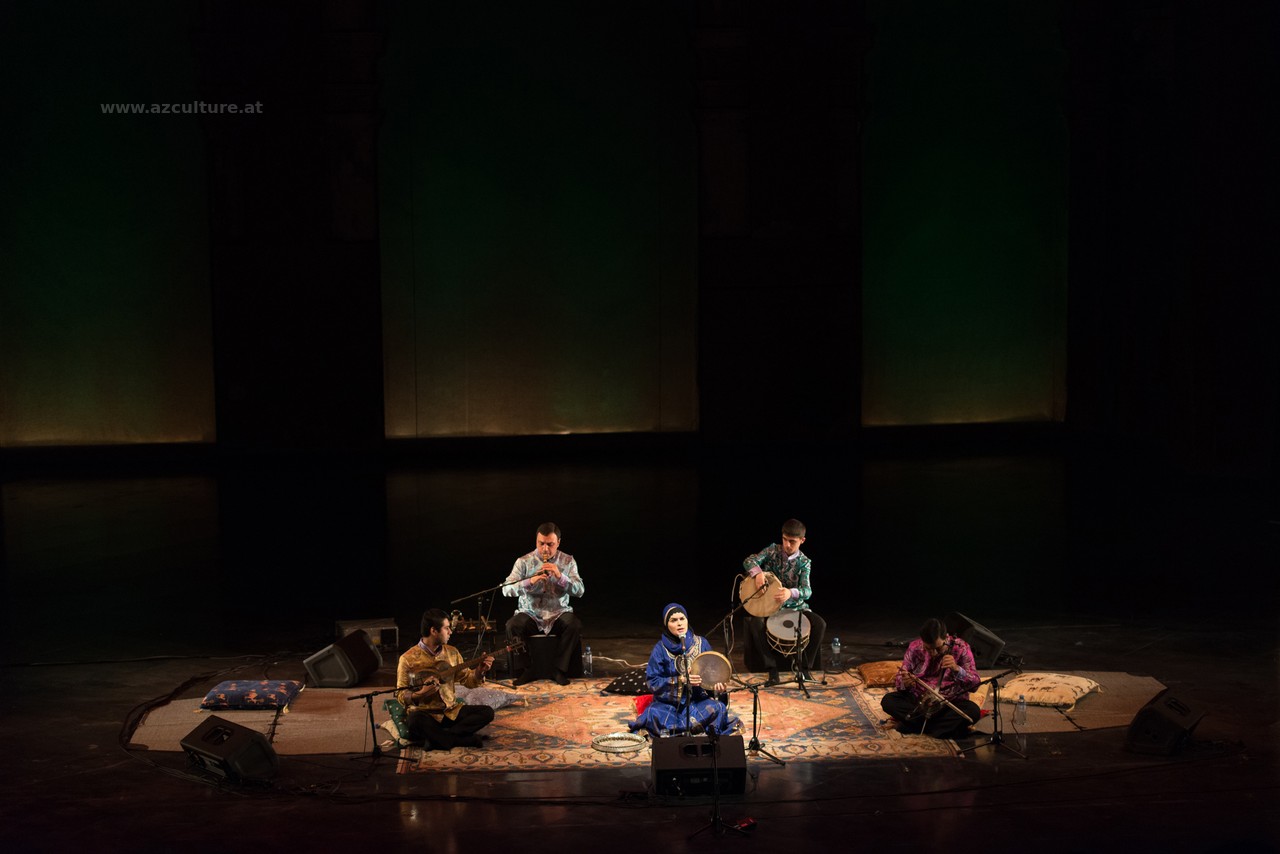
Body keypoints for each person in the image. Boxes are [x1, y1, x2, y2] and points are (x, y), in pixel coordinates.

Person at [629, 603, 740, 737]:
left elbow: (711, 676)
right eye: (673, 620)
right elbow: (652, 682)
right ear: (667, 625)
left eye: (682, 619)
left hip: (697, 703)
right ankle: (696, 731)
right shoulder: (660, 649)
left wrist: (717, 689)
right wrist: (680, 681)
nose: (679, 623)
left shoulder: (701, 643)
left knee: (718, 708)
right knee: (653, 714)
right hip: (669, 706)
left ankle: (680, 732)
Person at [395, 608, 496, 750]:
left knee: (487, 712)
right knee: (414, 720)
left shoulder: (452, 652)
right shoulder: (407, 659)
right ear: (433, 631)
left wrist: (480, 671)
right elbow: (400, 694)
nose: (450, 632)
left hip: (450, 712)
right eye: (446, 628)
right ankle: (460, 739)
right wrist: (420, 694)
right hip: (426, 715)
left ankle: (440, 738)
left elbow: (467, 680)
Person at [742, 518, 826, 685]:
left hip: (795, 607)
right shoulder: (772, 550)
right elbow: (748, 561)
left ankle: (804, 669)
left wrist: (790, 592)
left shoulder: (804, 562)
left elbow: (807, 591)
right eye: (785, 539)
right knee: (755, 623)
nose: (787, 545)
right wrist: (758, 573)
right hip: (771, 606)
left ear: (802, 540)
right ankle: (772, 669)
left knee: (820, 624)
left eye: (792, 541)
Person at [502, 522, 585, 686]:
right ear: (536, 541)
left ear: (558, 542)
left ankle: (558, 669)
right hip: (530, 613)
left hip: (558, 613)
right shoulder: (523, 561)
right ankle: (527, 669)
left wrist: (560, 577)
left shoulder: (568, 561)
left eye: (550, 544)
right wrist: (530, 581)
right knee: (512, 626)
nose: (545, 549)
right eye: (541, 544)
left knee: (574, 625)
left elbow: (580, 590)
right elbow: (506, 589)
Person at [880, 617, 982, 739]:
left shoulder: (961, 648)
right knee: (888, 701)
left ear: (946, 637)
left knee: (973, 711)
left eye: (938, 648)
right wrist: (905, 682)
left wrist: (957, 669)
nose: (933, 653)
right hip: (920, 702)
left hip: (949, 703)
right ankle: (939, 729)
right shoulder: (915, 647)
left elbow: (975, 685)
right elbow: (900, 681)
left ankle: (914, 725)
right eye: (928, 648)